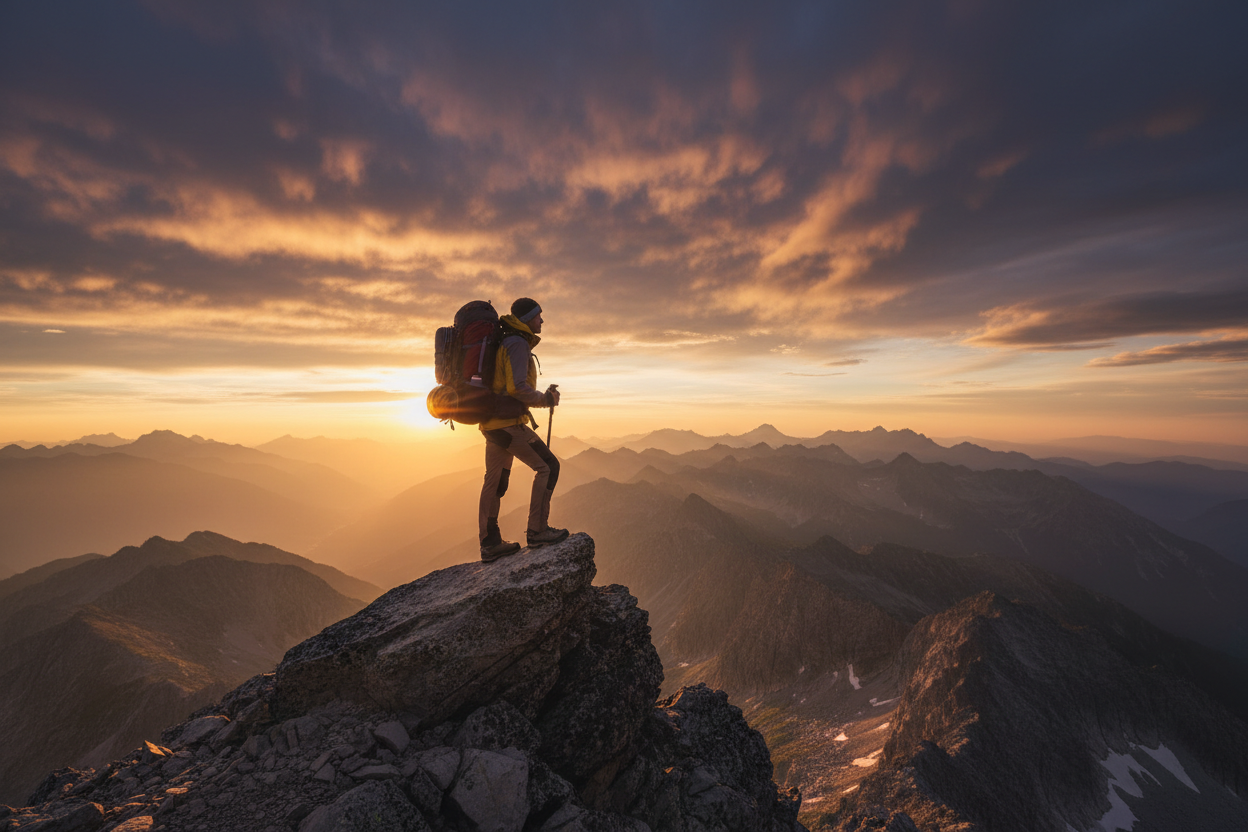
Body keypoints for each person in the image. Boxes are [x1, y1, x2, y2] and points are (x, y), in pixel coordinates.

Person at [478, 297, 568, 561]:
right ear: (528, 318)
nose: (542, 320)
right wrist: (545, 399)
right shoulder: (517, 343)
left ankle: (490, 543)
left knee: (495, 481)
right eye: (539, 316)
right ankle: (537, 530)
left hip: (492, 424)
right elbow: (517, 387)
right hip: (508, 425)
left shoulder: (509, 341)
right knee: (549, 466)